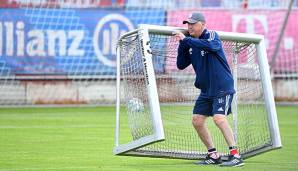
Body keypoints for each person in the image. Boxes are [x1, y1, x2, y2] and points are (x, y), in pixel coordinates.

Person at [173, 12, 244, 167]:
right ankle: (213, 154)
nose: (189, 26)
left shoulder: (211, 35)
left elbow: (212, 46)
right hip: (206, 90)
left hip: (222, 87)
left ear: (203, 24)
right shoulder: (191, 44)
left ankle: (236, 155)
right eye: (188, 24)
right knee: (197, 120)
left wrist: (188, 40)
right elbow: (180, 65)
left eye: (193, 23)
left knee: (219, 118)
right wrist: (182, 44)